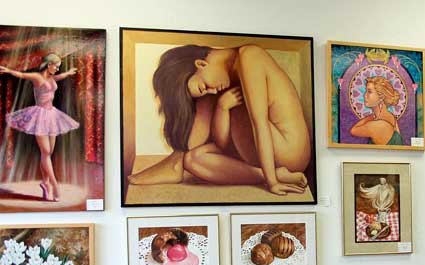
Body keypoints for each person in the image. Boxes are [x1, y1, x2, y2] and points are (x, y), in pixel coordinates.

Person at [127, 44, 310, 196]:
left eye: (203, 86)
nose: (212, 90)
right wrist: (222, 107)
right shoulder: (225, 74)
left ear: (201, 63)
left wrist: (272, 182)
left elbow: (259, 124)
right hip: (266, 150)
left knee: (218, 97)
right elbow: (222, 143)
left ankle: (175, 161)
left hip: (288, 151)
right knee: (193, 159)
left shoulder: (250, 57)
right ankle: (179, 160)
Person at [0, 53, 79, 201]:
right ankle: (55, 186)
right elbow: (22, 75)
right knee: (46, 151)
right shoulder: (37, 77)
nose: (57, 69)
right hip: (40, 116)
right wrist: (9, 71)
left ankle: (45, 184)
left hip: (52, 115)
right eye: (56, 66)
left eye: (58, 67)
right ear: (48, 64)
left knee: (48, 154)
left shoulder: (51, 78)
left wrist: (67, 73)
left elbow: (57, 78)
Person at [349, 76, 403, 145]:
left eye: (369, 92)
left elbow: (353, 130)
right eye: (366, 91)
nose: (365, 95)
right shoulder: (391, 117)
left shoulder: (378, 125)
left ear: (381, 97)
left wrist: (372, 116)